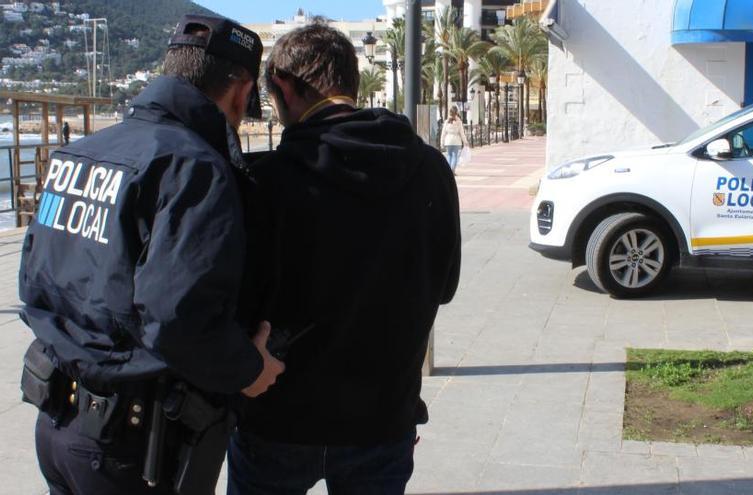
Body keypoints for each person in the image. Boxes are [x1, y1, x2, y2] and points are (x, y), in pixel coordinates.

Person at [18, 15, 285, 495]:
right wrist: (249, 369)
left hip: (56, 422)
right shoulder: (195, 168)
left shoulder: (80, 153)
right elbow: (177, 318)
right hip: (129, 447)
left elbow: (34, 281)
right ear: (242, 92)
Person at [227, 23, 461, 495]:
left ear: (287, 87)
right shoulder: (431, 168)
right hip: (383, 415)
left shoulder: (264, 181)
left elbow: (238, 301)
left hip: (277, 418)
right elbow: (445, 285)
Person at [441, 105, 468, 172]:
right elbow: (462, 133)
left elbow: (443, 133)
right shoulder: (459, 121)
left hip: (448, 140)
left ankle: (448, 171)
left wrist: (442, 142)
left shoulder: (447, 121)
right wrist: (465, 141)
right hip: (456, 141)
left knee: (449, 155)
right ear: (457, 113)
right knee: (455, 156)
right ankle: (452, 170)